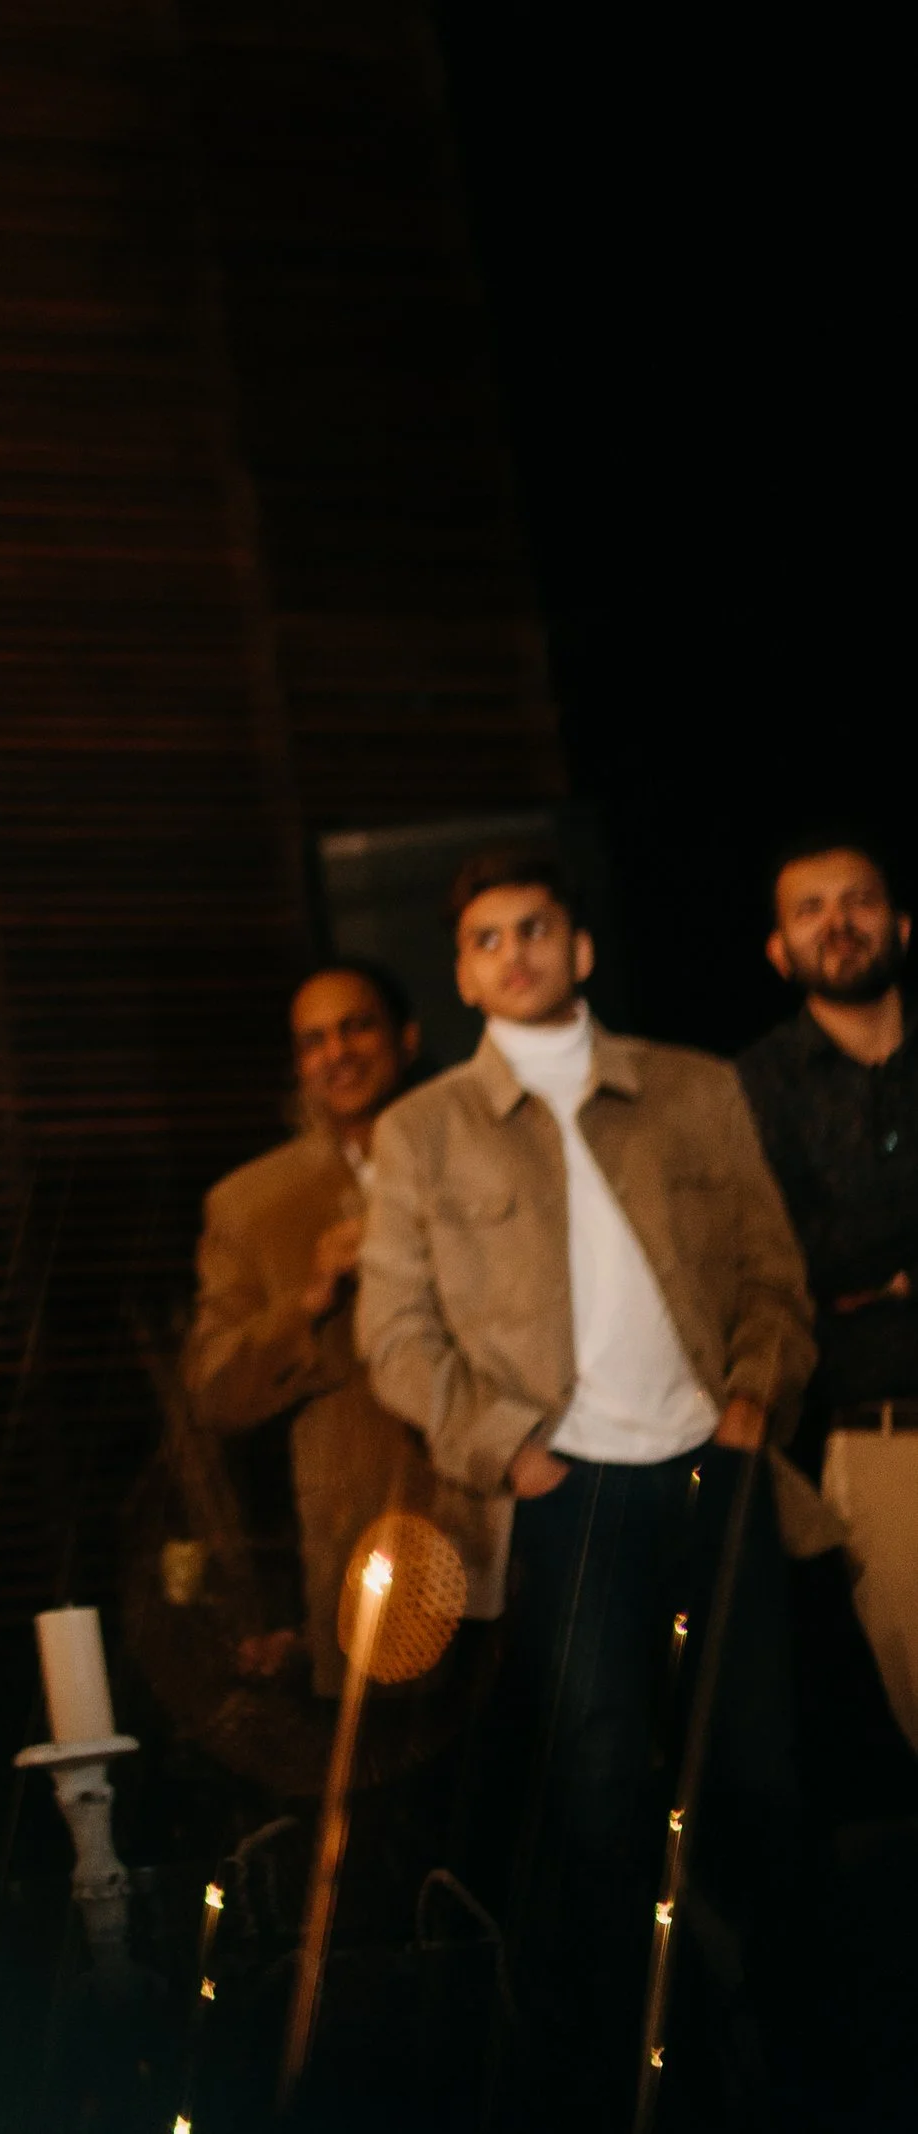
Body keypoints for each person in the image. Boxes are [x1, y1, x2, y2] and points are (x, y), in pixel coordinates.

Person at [358, 843, 815, 2117]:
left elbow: (776, 1274)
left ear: (582, 947)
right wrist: (505, 1448)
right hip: (563, 1498)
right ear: (460, 972)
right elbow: (394, 1333)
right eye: (488, 939)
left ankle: (789, 2053)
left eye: (537, 929)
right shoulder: (423, 1129)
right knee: (600, 1787)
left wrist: (749, 1395)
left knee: (761, 1776)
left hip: (708, 1468)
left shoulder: (691, 1086)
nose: (515, 953)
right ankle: (626, 2074)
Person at [183, 963, 496, 1688]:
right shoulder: (251, 1205)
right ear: (299, 1065)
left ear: (406, 1037)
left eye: (356, 1026)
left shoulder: (483, 1156)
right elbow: (213, 1393)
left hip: (503, 1513)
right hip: (366, 1553)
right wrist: (309, 1297)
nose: (339, 1052)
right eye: (314, 1040)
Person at [738, 836, 918, 1751]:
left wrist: (880, 1275)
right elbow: (796, 1257)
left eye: (860, 900)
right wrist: (867, 1270)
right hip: (883, 1430)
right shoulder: (752, 1086)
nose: (839, 923)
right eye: (811, 909)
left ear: (902, 925)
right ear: (780, 951)